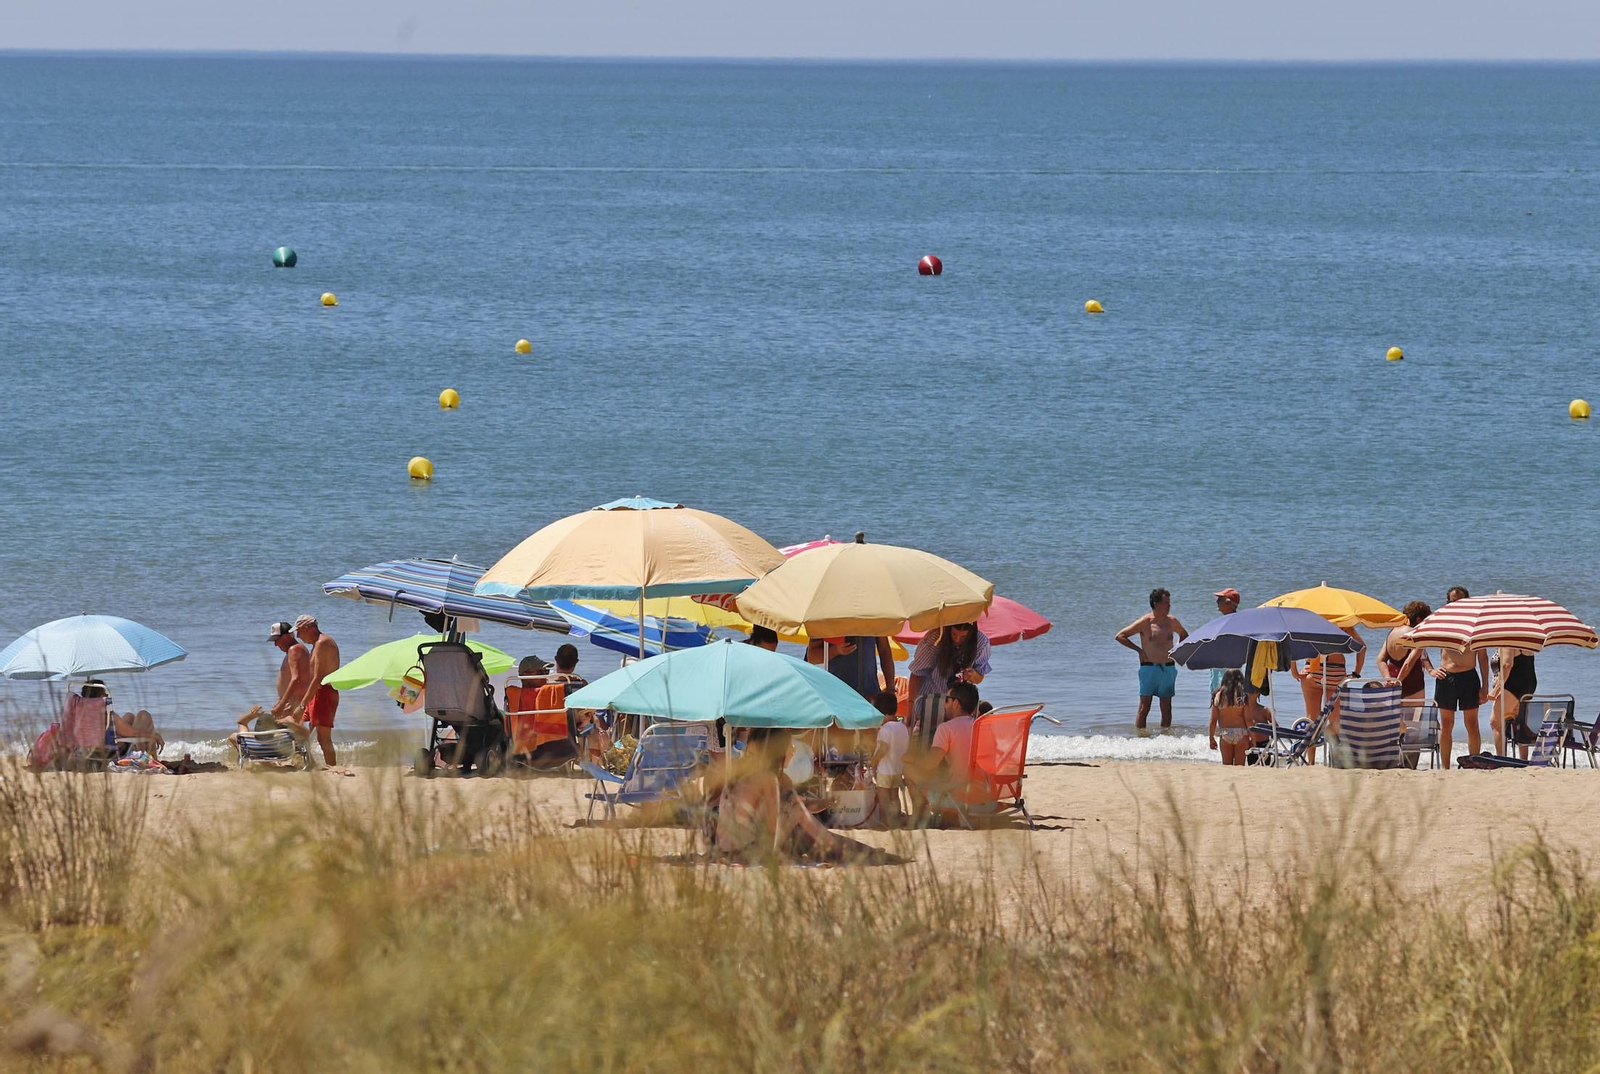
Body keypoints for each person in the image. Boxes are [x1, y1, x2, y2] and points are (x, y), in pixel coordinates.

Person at [709, 728, 891, 863]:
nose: (794, 750)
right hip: (746, 853)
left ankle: (855, 851)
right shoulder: (768, 778)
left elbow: (790, 806)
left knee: (799, 827)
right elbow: (774, 829)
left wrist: (823, 803)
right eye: (790, 746)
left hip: (725, 850)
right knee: (799, 823)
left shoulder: (744, 772)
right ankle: (847, 853)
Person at [1430, 586, 1490, 769]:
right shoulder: (1441, 620)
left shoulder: (1475, 623)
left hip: (1469, 677)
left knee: (1471, 724)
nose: (1455, 603)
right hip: (1446, 678)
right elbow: (1420, 644)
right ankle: (1445, 768)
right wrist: (1430, 669)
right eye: (1452, 600)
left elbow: (1482, 657)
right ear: (1447, 602)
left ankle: (1474, 762)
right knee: (1446, 725)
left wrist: (1485, 686)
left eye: (1459, 600)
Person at [1114, 588, 1188, 729]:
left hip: (1168, 668)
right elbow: (1120, 636)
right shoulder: (1145, 622)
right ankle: (1141, 740)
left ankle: (1165, 740)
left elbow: (1184, 635)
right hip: (1149, 667)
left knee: (1166, 708)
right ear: (1156, 603)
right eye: (1166, 603)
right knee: (1144, 707)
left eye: (1169, 603)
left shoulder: (1172, 621)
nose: (1169, 606)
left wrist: (1176, 649)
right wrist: (1139, 650)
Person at [906, 622, 991, 743]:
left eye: (963, 637)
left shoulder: (981, 643)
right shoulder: (934, 639)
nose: (957, 640)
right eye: (954, 634)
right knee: (924, 745)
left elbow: (980, 677)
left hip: (960, 709)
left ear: (971, 633)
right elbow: (917, 674)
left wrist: (973, 675)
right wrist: (911, 708)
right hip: (930, 705)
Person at [279, 615, 340, 767]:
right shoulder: (316, 645)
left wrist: (301, 706)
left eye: (299, 632)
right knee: (305, 733)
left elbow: (318, 678)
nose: (298, 636)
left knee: (323, 738)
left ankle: (332, 767)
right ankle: (310, 764)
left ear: (308, 628)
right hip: (317, 693)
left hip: (325, 693)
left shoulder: (322, 643)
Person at [257, 620, 311, 736]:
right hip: (291, 700)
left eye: (277, 639)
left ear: (288, 636)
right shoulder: (293, 651)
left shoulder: (294, 649)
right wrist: (280, 702)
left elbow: (295, 679)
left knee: (293, 735)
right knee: (288, 735)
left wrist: (281, 704)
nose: (275, 644)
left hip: (295, 700)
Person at [807, 634, 895, 699]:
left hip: (870, 694)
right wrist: (836, 650)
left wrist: (891, 690)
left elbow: (885, 651)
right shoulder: (826, 616)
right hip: (839, 695)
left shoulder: (873, 615)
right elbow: (811, 657)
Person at [1489, 645, 1538, 757]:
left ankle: (1501, 759)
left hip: (1514, 684)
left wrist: (1497, 689)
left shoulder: (1507, 637)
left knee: (1495, 722)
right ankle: (1523, 760)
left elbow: (1507, 664)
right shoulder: (1522, 636)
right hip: (1528, 682)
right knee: (1520, 721)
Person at [868, 690, 908, 826]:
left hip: (885, 770)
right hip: (898, 769)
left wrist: (874, 762)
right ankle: (895, 818)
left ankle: (885, 821)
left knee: (883, 796)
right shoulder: (902, 728)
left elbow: (883, 749)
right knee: (894, 795)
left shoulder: (886, 729)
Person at [1381, 602, 1433, 701]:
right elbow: (1409, 662)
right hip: (1413, 685)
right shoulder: (1416, 635)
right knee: (1415, 716)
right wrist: (1399, 681)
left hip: (1392, 684)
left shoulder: (1392, 632)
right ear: (1418, 619)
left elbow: (1380, 660)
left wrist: (1387, 678)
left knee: (1397, 716)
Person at [1208, 669, 1259, 765]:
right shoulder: (1243, 696)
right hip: (1241, 733)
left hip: (1225, 733)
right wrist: (1253, 738)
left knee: (1227, 767)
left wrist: (1211, 738)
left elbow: (1213, 721)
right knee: (1240, 767)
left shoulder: (1218, 696)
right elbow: (1248, 720)